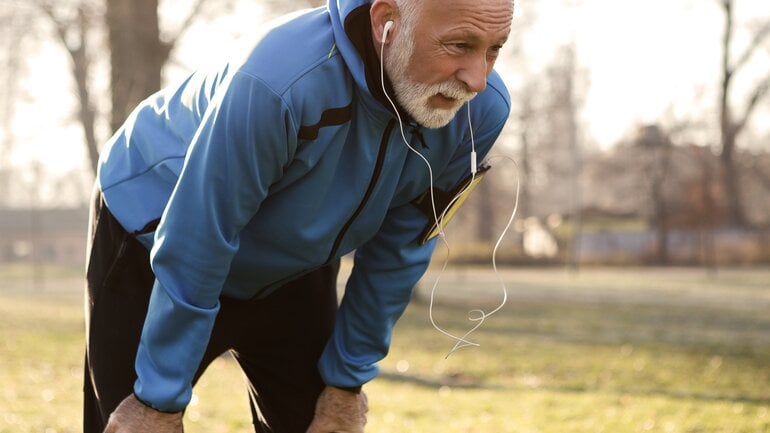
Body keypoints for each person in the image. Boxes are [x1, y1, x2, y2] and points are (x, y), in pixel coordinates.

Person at [84, 0, 514, 431]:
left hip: (293, 267)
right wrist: (157, 401)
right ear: (387, 22)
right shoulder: (279, 81)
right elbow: (200, 236)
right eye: (459, 45)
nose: (477, 79)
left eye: (494, 49)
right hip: (157, 238)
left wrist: (346, 381)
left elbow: (399, 250)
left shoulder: (481, 112)